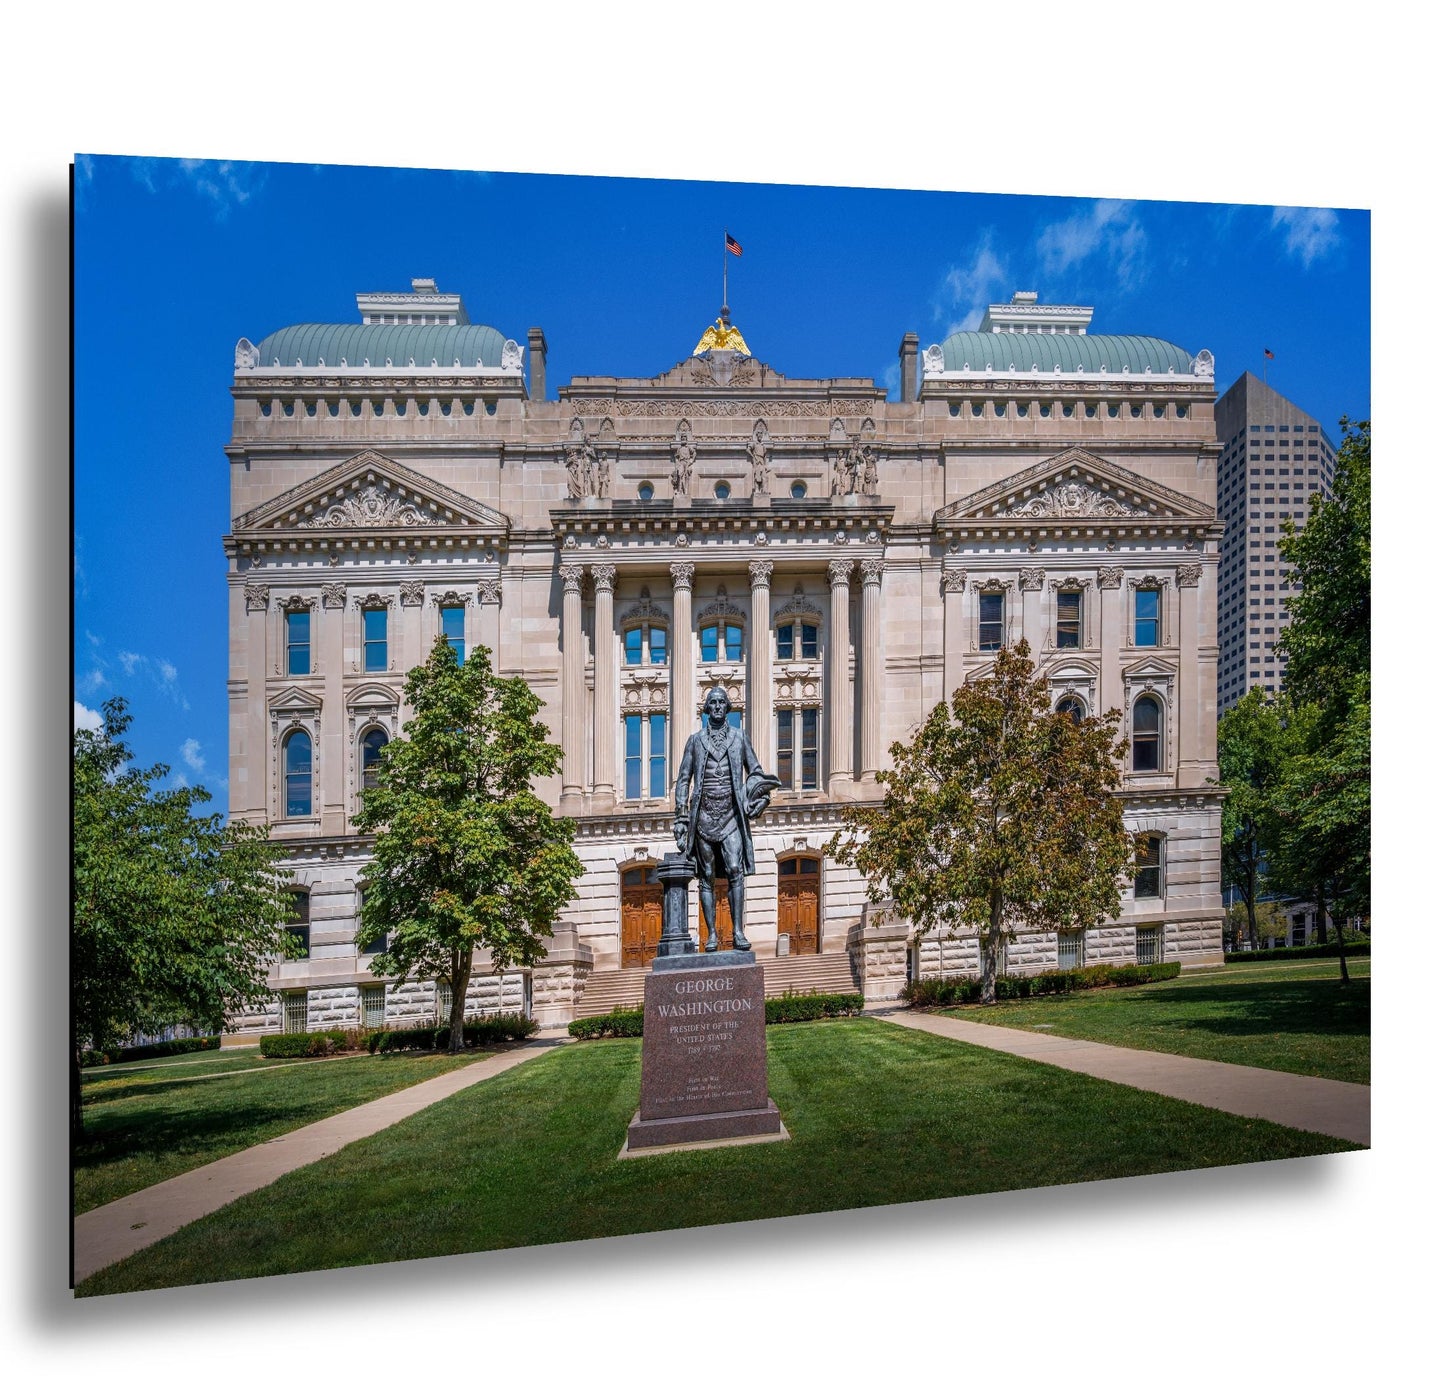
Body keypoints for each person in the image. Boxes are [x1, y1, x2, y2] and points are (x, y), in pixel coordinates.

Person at [673, 687, 779, 952]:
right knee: (707, 876)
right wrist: (681, 817)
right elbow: (684, 779)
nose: (718, 706)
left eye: (722, 702)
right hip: (704, 816)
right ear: (707, 708)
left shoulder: (739, 737)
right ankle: (710, 935)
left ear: (727, 707)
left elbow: (754, 772)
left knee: (735, 870)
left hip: (732, 814)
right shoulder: (695, 741)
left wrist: (760, 798)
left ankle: (738, 932)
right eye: (713, 703)